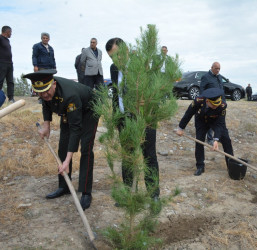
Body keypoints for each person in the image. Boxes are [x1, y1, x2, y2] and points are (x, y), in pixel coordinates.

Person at [23, 69, 99, 210]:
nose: (44, 94)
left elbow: (76, 129)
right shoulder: (44, 91)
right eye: (40, 92)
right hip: (68, 111)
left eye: (47, 91)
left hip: (89, 109)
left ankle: (86, 192)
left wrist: (67, 161)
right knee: (63, 145)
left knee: (86, 148)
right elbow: (46, 104)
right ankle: (64, 186)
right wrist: (46, 126)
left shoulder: (69, 95)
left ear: (54, 84)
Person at [105, 37, 160, 199]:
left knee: (149, 155)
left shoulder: (143, 63)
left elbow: (157, 88)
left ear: (126, 50)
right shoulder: (113, 69)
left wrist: (148, 99)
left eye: (118, 55)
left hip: (145, 118)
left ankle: (153, 194)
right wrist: (116, 117)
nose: (116, 60)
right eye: (112, 57)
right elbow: (116, 93)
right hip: (124, 120)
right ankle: (128, 194)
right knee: (127, 157)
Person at [176, 88, 234, 176]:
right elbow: (188, 113)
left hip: (215, 121)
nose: (216, 107)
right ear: (207, 101)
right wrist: (181, 128)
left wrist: (216, 139)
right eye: (214, 105)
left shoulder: (222, 106)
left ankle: (231, 166)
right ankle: (200, 166)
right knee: (199, 140)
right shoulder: (199, 101)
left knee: (226, 140)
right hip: (201, 121)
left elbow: (220, 124)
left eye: (217, 105)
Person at [200, 62, 224, 145]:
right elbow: (202, 90)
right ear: (211, 67)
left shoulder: (219, 77)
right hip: (209, 103)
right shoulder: (206, 77)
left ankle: (217, 138)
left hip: (219, 103)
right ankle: (209, 139)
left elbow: (221, 89)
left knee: (218, 121)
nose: (218, 70)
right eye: (216, 68)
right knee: (210, 120)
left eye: (219, 69)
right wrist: (204, 102)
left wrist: (223, 101)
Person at [0, 26, 15, 103]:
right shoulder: (0, 38)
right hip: (2, 63)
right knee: (0, 80)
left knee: (10, 81)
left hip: (9, 63)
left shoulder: (7, 40)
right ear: (7, 31)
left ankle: (11, 98)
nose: (11, 34)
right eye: (10, 32)